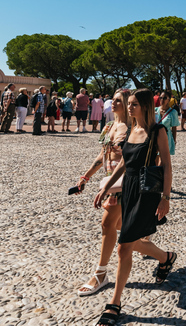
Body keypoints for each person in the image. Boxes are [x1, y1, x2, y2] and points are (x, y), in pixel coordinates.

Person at [93, 89, 175, 326]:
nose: (130, 108)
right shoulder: (130, 130)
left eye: (135, 104)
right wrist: (106, 186)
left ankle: (115, 303)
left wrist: (166, 198)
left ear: (147, 106)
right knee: (128, 238)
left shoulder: (157, 131)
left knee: (124, 246)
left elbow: (167, 166)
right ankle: (165, 257)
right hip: (128, 188)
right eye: (129, 104)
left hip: (146, 192)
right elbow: (125, 163)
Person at [74, 89, 130, 297]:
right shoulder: (108, 126)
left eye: (117, 101)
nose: (112, 103)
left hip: (125, 182)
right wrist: (85, 177)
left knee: (107, 224)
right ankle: (164, 256)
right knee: (123, 230)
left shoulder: (132, 128)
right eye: (112, 100)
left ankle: (100, 274)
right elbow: (102, 156)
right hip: (109, 179)